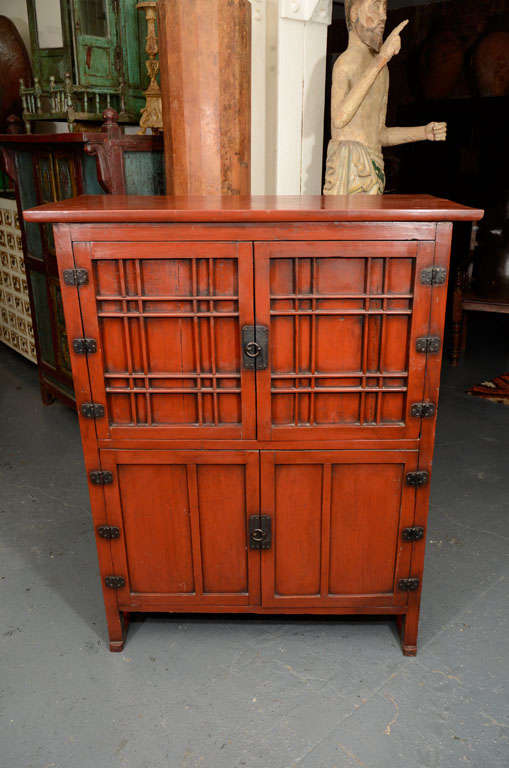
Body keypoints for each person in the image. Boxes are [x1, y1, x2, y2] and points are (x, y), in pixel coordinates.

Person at [323, 0, 447, 195]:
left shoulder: (383, 71)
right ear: (354, 12)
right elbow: (339, 119)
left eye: (385, 8)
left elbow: (379, 134)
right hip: (349, 173)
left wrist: (423, 132)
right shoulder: (345, 64)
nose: (383, 15)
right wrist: (381, 59)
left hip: (373, 171)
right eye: (375, 6)